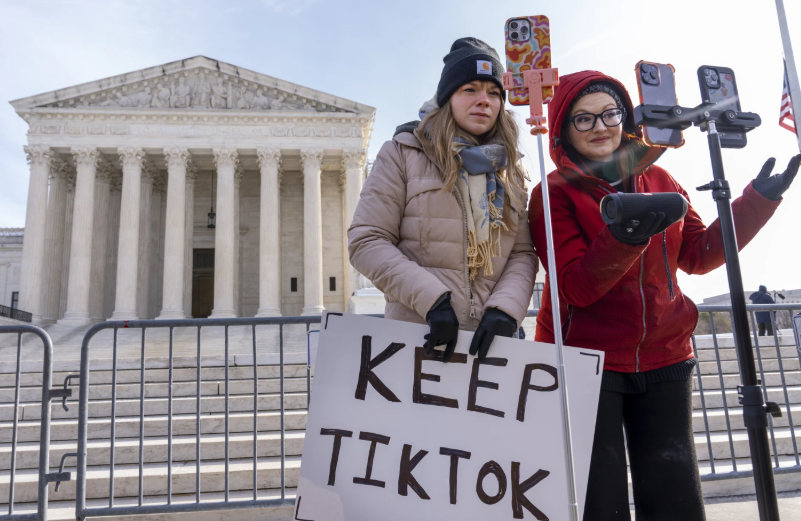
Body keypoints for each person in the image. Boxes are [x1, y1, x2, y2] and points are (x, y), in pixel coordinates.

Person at [528, 71, 799, 520]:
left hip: (667, 357)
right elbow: (576, 285)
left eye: (610, 113)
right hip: (586, 363)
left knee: (675, 502)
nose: (600, 127)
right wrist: (627, 236)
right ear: (562, 129)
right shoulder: (552, 193)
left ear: (626, 118)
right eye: (583, 119)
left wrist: (757, 200)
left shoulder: (660, 178)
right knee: (602, 504)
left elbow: (699, 254)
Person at [349, 37, 537, 361]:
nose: (484, 100)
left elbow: (522, 254)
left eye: (494, 93)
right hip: (418, 338)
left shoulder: (509, 171)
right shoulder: (403, 153)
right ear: (447, 97)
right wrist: (433, 300)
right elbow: (367, 241)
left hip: (492, 350)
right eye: (470, 89)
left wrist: (506, 309)